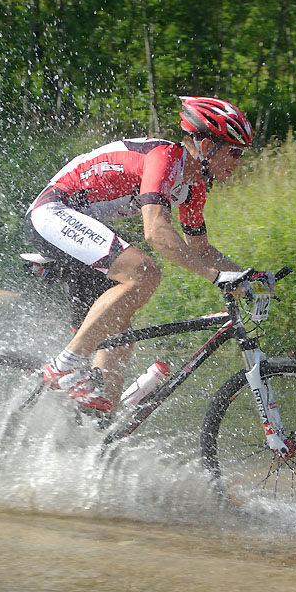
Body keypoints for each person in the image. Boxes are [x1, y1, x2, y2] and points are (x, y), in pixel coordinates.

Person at [25, 96, 273, 413]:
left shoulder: (194, 185)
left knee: (119, 334)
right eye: (235, 152)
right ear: (208, 145)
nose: (239, 162)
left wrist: (246, 275)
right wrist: (216, 278)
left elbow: (200, 249)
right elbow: (156, 232)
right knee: (143, 272)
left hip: (80, 226)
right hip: (52, 212)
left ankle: (99, 424)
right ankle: (65, 365)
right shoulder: (166, 156)